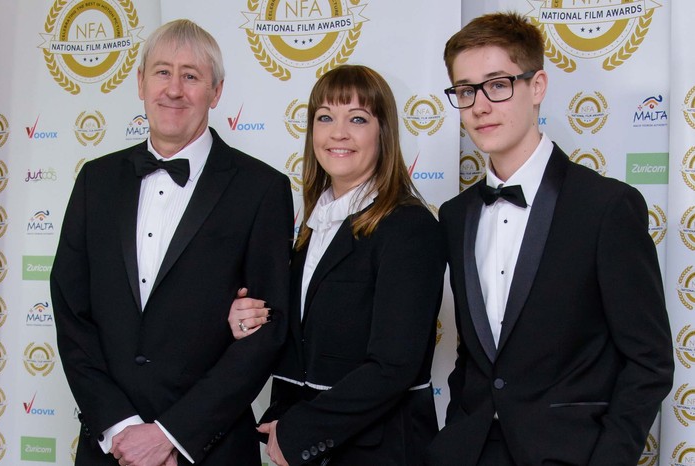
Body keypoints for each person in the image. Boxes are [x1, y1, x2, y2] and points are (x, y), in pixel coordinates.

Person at [427, 11, 674, 466]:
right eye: (465, 91)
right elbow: (475, 351)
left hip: (569, 453)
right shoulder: (455, 215)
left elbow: (649, 362)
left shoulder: (606, 207)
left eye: (497, 84)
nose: (480, 105)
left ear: (536, 86)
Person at [51, 19, 293, 466]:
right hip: (110, 449)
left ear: (216, 92)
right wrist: (121, 427)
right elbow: (71, 311)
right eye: (162, 72)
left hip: (210, 448)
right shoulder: (95, 181)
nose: (174, 89)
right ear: (140, 82)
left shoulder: (262, 188)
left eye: (191, 75)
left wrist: (172, 433)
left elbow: (269, 329)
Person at [227, 64, 446, 465]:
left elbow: (394, 365)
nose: (338, 132)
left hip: (380, 451)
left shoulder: (409, 226)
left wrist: (300, 432)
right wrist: (251, 319)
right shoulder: (313, 225)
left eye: (357, 119)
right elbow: (310, 342)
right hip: (314, 447)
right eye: (325, 117)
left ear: (384, 132)